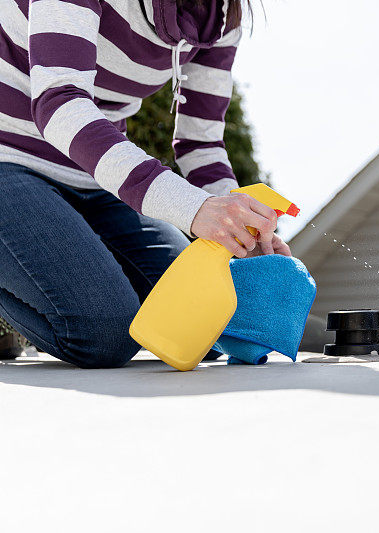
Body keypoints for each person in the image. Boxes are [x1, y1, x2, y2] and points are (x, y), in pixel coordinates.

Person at [0, 0, 290, 368]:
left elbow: (201, 144)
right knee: (102, 334)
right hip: (8, 160)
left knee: (206, 329)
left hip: (94, 179)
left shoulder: (218, 17)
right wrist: (194, 208)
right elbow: (60, 102)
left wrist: (239, 231)